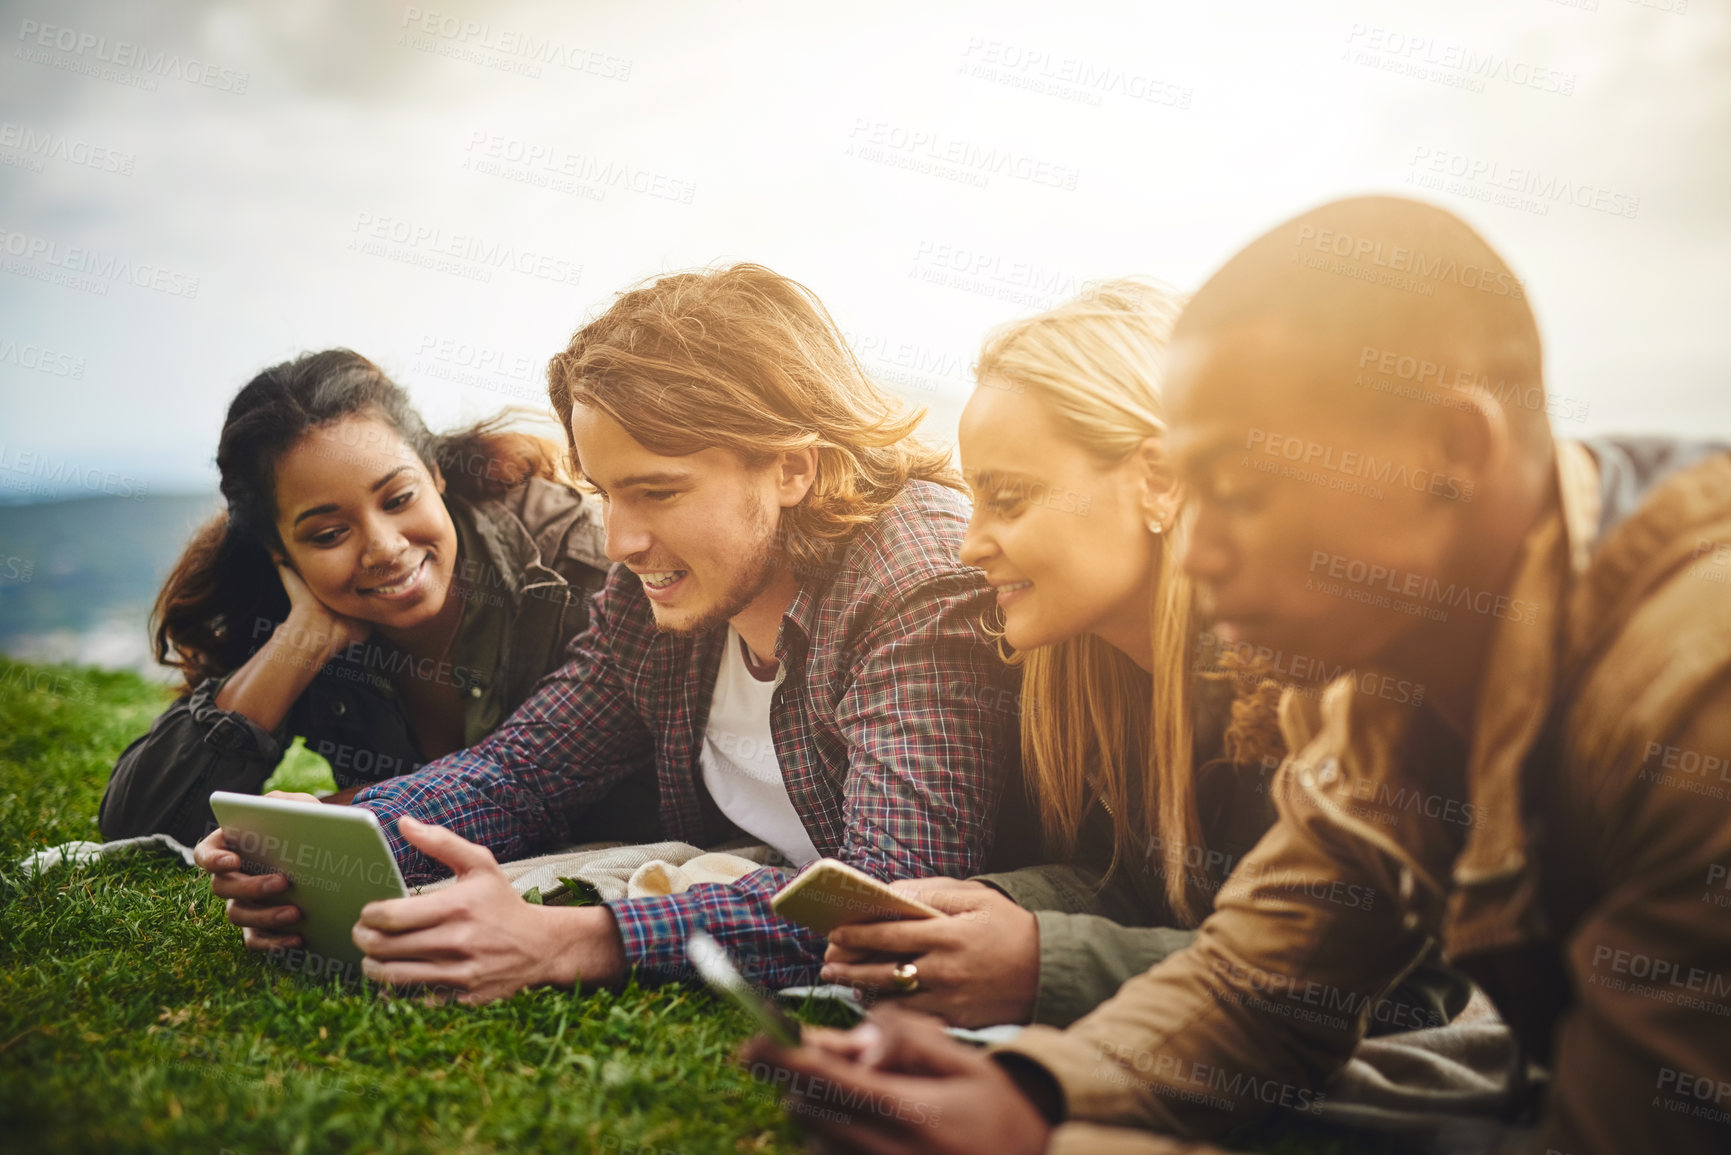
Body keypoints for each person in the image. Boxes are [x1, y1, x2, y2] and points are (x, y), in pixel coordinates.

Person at [743, 196, 1731, 1154]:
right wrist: (1032, 1089)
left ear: (1449, 450)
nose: (1199, 550)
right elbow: (1264, 983)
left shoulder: (1698, 700)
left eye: (1242, 489)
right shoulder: (1393, 683)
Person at [192, 264, 1023, 1001]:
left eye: (657, 492)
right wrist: (336, 841)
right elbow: (526, 769)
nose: (619, 539)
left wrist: (573, 942)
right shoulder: (659, 590)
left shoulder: (912, 584)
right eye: (605, 492)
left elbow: (890, 889)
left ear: (792, 467)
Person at [815, 280, 1463, 1034]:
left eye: (1012, 498)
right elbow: (1135, 886)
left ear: (1159, 480)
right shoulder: (1080, 672)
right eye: (974, 498)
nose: (969, 544)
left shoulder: (1335, 676)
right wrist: (999, 905)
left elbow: (1404, 990)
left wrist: (1044, 963)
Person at [100, 350, 615, 847]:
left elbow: (547, 782)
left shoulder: (572, 563)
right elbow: (140, 824)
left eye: (398, 499)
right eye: (328, 534)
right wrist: (301, 641)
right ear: (278, 551)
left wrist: (328, 818)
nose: (384, 549)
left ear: (435, 472)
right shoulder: (283, 610)